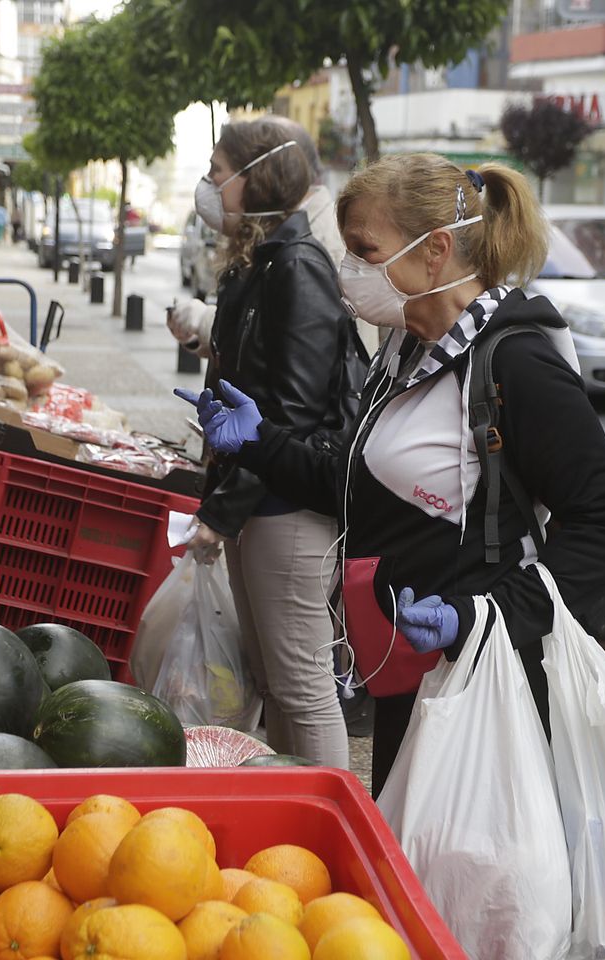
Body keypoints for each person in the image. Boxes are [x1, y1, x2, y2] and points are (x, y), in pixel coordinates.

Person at [180, 153, 605, 794]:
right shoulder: (406, 348)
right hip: (409, 676)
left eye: (365, 251)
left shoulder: (517, 361)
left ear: (436, 250)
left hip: (486, 689)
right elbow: (355, 489)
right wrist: (260, 442)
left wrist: (479, 616)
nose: (350, 272)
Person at [171, 117, 366, 768]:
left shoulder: (298, 265)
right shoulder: (261, 261)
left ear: (258, 179)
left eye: (219, 172)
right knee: (274, 685)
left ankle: (328, 830)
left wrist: (223, 510)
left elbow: (293, 410)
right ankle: (293, 820)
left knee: (303, 688)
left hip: (287, 508)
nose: (210, 187)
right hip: (256, 499)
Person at [169, 119, 376, 358]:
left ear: (267, 174)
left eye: (216, 170)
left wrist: (205, 320)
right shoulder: (275, 237)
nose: (209, 182)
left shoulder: (317, 248)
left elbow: (310, 360)